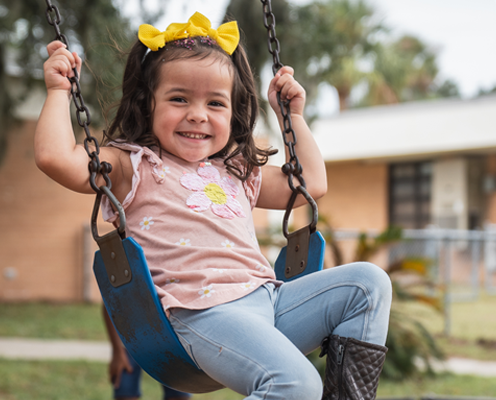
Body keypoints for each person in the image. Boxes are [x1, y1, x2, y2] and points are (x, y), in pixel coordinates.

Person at [35, 11, 392, 400]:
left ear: (233, 110)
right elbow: (56, 158)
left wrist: (293, 117)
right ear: (147, 103)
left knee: (368, 284)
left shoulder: (237, 171)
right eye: (178, 98)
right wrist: (58, 91)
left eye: (215, 103)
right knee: (297, 384)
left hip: (270, 304)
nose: (198, 114)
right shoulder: (130, 165)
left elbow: (311, 183)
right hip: (201, 313)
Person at [102, 304, 191, 400]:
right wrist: (117, 352)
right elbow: (109, 302)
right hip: (129, 341)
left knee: (179, 395)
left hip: (170, 340)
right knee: (125, 394)